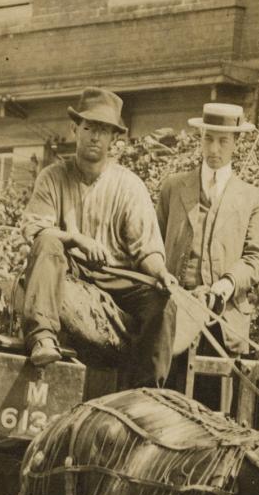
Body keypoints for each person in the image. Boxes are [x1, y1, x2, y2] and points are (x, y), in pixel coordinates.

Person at [14, 88, 183, 388]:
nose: (95, 137)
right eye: (89, 128)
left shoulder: (129, 185)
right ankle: (42, 338)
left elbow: (146, 249)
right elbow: (36, 229)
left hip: (116, 277)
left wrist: (161, 273)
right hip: (69, 268)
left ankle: (147, 391)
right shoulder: (52, 177)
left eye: (103, 131)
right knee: (48, 242)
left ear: (113, 139)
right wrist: (76, 240)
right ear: (75, 129)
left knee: (163, 302)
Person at [155, 102, 259, 364]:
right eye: (208, 139)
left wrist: (228, 283)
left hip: (223, 320)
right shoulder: (173, 189)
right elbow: (154, 246)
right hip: (173, 315)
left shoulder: (252, 199)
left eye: (223, 141)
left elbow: (256, 259)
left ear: (236, 142)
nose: (214, 149)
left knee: (213, 401)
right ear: (201, 139)